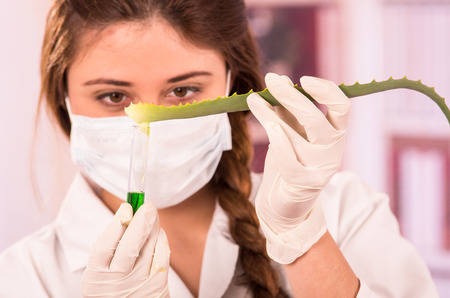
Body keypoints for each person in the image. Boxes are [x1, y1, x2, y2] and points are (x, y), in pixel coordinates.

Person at [0, 0, 439, 297]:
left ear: (233, 82)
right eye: (114, 97)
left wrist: (304, 242)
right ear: (64, 98)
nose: (149, 122)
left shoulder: (344, 214)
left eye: (184, 90)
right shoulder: (23, 277)